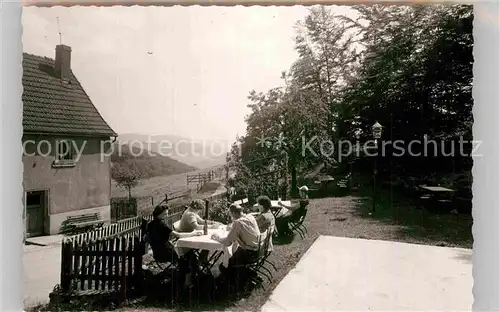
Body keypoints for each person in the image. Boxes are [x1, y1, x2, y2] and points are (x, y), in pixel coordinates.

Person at [146, 205, 202, 288]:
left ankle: (194, 273)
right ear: (159, 214)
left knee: (187, 253)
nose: (167, 216)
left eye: (167, 214)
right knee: (188, 254)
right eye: (165, 214)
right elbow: (178, 235)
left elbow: (146, 237)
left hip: (157, 252)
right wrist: (193, 234)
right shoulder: (161, 225)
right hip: (165, 252)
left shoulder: (150, 224)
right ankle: (189, 280)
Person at [211, 204, 261, 270]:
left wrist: (217, 238)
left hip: (249, 254)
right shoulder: (250, 217)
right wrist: (233, 226)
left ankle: (229, 278)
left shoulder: (238, 223)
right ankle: (249, 274)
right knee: (235, 252)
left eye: (230, 214)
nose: (230, 216)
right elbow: (245, 227)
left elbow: (227, 242)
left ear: (234, 213)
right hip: (258, 251)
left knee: (224, 266)